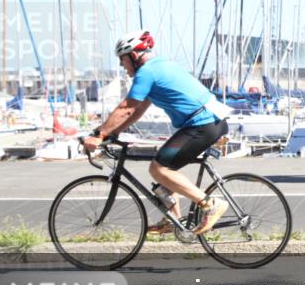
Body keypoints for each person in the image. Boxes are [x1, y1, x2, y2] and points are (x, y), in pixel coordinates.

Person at [82, 30, 230, 236]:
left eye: (123, 60)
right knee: (164, 165)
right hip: (209, 121)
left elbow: (127, 107)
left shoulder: (147, 72)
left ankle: (209, 204)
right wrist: (109, 132)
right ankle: (174, 219)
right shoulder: (160, 66)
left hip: (201, 124)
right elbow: (138, 110)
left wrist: (98, 135)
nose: (122, 66)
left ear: (134, 56)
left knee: (159, 168)